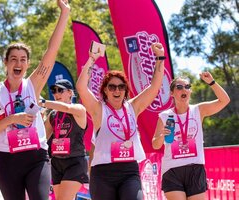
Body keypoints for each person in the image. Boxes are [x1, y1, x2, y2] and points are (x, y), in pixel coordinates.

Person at [0, 0, 70, 199]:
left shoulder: (32, 84)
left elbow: (51, 51)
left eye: (22, 59)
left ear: (28, 64)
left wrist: (65, 13)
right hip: (8, 160)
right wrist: (11, 119)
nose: (18, 63)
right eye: (13, 59)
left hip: (36, 157)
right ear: (6, 63)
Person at [76, 43, 166, 199]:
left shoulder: (133, 107)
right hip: (103, 173)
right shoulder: (98, 109)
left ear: (125, 90)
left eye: (121, 87)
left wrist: (160, 58)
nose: (117, 90)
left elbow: (155, 87)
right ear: (105, 90)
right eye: (112, 87)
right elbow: (81, 87)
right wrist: (92, 59)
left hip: (129, 171)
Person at [152, 73, 230, 200]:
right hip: (172, 170)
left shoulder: (199, 110)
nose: (184, 90)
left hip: (195, 168)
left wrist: (212, 82)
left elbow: (225, 100)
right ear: (172, 93)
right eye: (179, 87)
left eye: (187, 87)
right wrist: (162, 135)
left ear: (190, 91)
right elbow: (155, 144)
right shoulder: (165, 116)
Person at [41, 79, 88, 200]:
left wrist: (43, 103)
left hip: (75, 162)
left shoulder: (79, 109)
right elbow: (42, 136)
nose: (56, 94)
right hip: (57, 163)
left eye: (60, 90)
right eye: (54, 91)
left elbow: (66, 109)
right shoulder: (53, 115)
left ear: (70, 93)